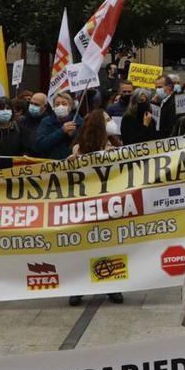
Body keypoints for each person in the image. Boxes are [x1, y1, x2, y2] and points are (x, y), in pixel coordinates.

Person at [67, 111, 124, 307]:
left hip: (110, 205)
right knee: (83, 247)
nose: (111, 123)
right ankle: (78, 288)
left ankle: (112, 284)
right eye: (107, 120)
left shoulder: (117, 146)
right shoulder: (79, 150)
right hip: (86, 206)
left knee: (109, 245)